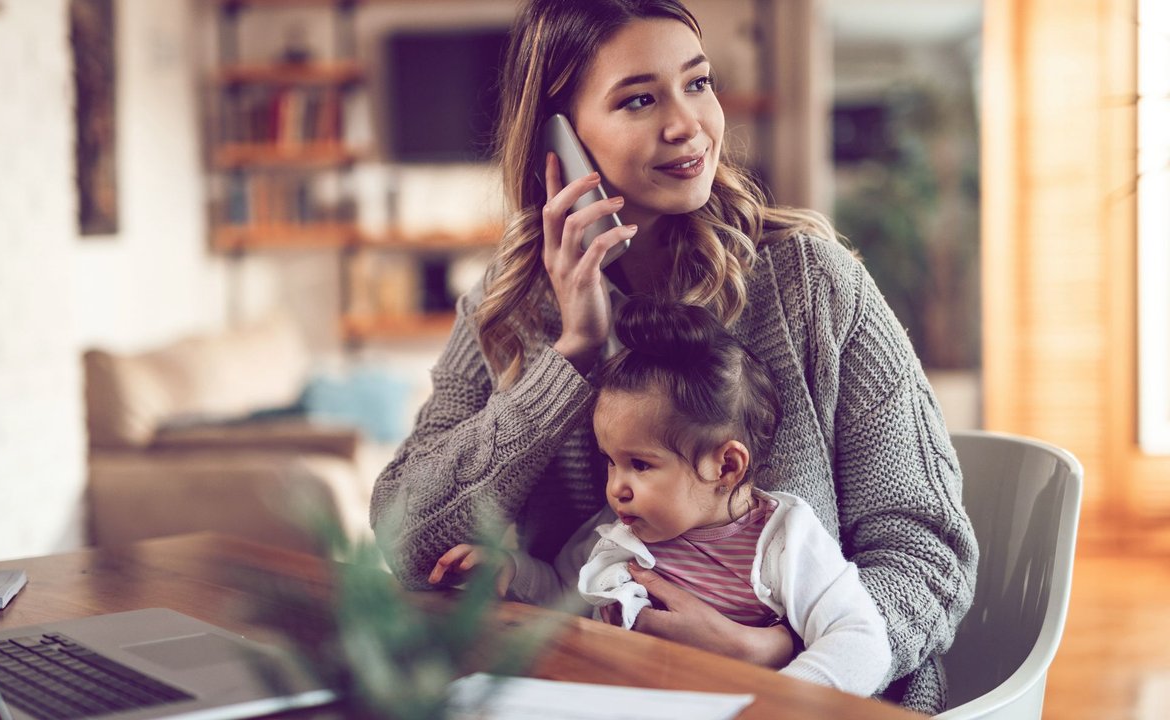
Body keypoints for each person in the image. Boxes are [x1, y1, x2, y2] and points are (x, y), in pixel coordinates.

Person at [369, 0, 977, 711]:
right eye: (638, 99)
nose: (687, 123)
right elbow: (406, 541)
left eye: (698, 82)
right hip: (600, 695)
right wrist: (572, 356)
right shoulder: (507, 312)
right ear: (560, 142)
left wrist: (777, 651)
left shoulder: (809, 281)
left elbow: (928, 553)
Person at [429, 297, 892, 696]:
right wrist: (511, 571)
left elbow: (860, 638)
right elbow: (563, 595)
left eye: (641, 465)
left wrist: (784, 698)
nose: (616, 487)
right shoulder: (619, 533)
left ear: (726, 466)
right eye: (611, 461)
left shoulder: (785, 541)